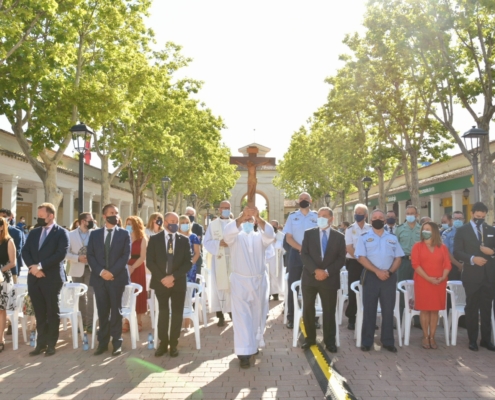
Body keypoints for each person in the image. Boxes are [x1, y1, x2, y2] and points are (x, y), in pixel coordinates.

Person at [223, 206, 275, 369]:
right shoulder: (234, 237)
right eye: (244, 220)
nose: (247, 222)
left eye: (249, 220)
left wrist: (258, 217)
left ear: (254, 223)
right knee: (242, 317)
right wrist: (240, 218)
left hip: (259, 282)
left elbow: (270, 234)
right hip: (240, 282)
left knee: (257, 315)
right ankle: (243, 353)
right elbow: (227, 233)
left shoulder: (260, 237)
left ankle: (253, 345)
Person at [22, 203, 69, 357]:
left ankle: (51, 344)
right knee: (40, 312)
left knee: (51, 311)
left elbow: (60, 254)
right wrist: (33, 268)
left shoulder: (61, 233)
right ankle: (40, 344)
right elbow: (25, 251)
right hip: (34, 278)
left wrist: (40, 267)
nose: (39, 219)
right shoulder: (34, 232)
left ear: (51, 216)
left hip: (52, 278)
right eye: (38, 216)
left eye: (42, 216)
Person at [355, 209, 404, 352]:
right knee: (369, 310)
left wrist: (388, 272)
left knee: (388, 310)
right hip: (371, 277)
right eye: (374, 217)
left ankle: (388, 341)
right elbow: (361, 257)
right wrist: (377, 271)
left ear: (384, 220)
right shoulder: (364, 237)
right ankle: (367, 341)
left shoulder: (392, 238)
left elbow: (398, 257)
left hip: (389, 277)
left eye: (380, 218)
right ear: (370, 221)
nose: (377, 220)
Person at [300, 207, 346, 353]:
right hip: (310, 278)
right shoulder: (309, 234)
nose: (321, 218)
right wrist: (316, 271)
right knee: (308, 309)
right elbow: (305, 255)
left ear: (331, 219)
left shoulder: (339, 237)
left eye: (324, 216)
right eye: (319, 215)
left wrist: (326, 272)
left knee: (329, 311)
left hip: (329, 279)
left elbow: (341, 259)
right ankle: (310, 339)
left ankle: (329, 341)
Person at [87, 203, 131, 356]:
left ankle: (117, 342)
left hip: (116, 278)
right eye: (112, 212)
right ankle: (103, 343)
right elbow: (90, 255)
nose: (115, 215)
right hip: (99, 279)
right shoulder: (95, 234)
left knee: (116, 311)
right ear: (104, 216)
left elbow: (125, 256)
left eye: (117, 213)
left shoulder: (124, 234)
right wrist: (101, 272)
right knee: (102, 311)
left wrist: (111, 272)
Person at [147, 212, 192, 357]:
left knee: (177, 313)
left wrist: (173, 277)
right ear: (165, 222)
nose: (175, 223)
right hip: (161, 283)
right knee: (163, 312)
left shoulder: (184, 240)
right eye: (172, 221)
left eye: (176, 221)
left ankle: (174, 344)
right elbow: (150, 262)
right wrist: (163, 279)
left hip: (178, 283)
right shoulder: (154, 239)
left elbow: (187, 263)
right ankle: (163, 343)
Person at [453, 202, 495, 351]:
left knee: (486, 308)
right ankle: (472, 340)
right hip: (471, 276)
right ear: (472, 214)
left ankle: (486, 339)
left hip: (489, 276)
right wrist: (472, 259)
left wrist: (492, 252)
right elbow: (457, 252)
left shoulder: (490, 229)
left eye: (483, 217)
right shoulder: (462, 230)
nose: (480, 219)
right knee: (471, 307)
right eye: (478, 217)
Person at [411, 222, 451, 349]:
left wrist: (442, 277)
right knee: (425, 309)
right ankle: (425, 336)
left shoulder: (442, 247)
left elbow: (447, 264)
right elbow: (415, 264)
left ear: (434, 231)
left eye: (428, 229)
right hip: (423, 282)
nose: (425, 231)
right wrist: (429, 278)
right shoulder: (417, 246)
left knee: (435, 310)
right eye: (424, 229)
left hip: (439, 282)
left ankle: (432, 337)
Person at [283, 192, 318, 329]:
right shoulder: (292, 217)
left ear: (311, 200)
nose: (303, 200)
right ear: (298, 201)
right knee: (294, 286)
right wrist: (301, 248)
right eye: (301, 199)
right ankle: (291, 316)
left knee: (313, 286)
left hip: (313, 256)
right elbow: (288, 237)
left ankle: (313, 317)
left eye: (306, 199)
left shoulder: (316, 216)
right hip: (296, 255)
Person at [203, 200, 233, 327]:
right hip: (219, 259)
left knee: (232, 287)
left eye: (228, 207)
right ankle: (220, 315)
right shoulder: (213, 225)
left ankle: (232, 312)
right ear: (219, 209)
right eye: (223, 207)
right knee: (218, 287)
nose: (226, 209)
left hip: (232, 259)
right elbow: (206, 241)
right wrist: (218, 243)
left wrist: (231, 242)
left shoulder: (235, 224)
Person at [66, 212, 95, 332]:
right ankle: (81, 323)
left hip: (91, 269)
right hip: (76, 269)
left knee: (91, 295)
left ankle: (90, 324)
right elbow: (65, 253)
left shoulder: (94, 233)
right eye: (90, 220)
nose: (93, 222)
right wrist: (77, 258)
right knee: (80, 297)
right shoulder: (70, 235)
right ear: (83, 221)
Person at [344, 204, 371, 330]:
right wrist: (361, 259)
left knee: (369, 290)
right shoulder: (350, 229)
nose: (357, 215)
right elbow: (349, 248)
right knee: (353, 291)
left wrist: (366, 261)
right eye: (356, 212)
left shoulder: (370, 229)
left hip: (369, 263)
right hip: (354, 263)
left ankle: (368, 318)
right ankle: (352, 318)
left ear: (366, 215)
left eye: (360, 213)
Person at [395, 205, 421, 319]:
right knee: (401, 289)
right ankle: (400, 317)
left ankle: (417, 319)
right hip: (404, 262)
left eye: (412, 213)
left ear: (417, 215)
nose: (410, 215)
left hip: (418, 263)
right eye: (408, 213)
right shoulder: (399, 229)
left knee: (418, 289)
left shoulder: (421, 229)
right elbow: (395, 246)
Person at [124, 216, 148, 332]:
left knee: (137, 292)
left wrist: (133, 267)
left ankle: (138, 319)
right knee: (126, 292)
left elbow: (143, 257)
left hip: (137, 266)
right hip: (125, 266)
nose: (128, 226)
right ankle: (126, 320)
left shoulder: (142, 239)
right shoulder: (123, 237)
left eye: (131, 224)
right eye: (127, 224)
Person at [0, 217, 17, 351]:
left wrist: (0, 269)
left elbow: (13, 262)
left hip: (3, 278)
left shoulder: (9, 241)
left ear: (2, 227)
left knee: (1, 310)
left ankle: (0, 339)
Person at [0, 208, 24, 285]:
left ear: (9, 218)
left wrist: (2, 268)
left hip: (9, 271)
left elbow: (17, 252)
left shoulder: (16, 233)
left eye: (3, 217)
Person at [441, 211, 465, 281]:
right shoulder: (446, 233)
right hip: (452, 264)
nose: (458, 220)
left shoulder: (469, 232)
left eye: (460, 218)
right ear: (452, 220)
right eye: (455, 218)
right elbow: (446, 252)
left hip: (467, 264)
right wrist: (458, 265)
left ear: (464, 220)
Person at [178, 215, 201, 284]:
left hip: (190, 267)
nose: (185, 224)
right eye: (183, 223)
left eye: (187, 222)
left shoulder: (193, 237)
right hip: (176, 268)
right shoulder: (174, 236)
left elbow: (197, 253)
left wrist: (189, 265)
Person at [266, 220, 284, 301]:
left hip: (276, 258)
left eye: (274, 226)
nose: (273, 227)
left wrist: (275, 241)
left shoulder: (281, 235)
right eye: (271, 225)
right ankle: (268, 293)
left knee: (275, 274)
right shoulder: (265, 234)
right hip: (266, 257)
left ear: (277, 226)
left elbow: (283, 247)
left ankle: (275, 293)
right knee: (267, 275)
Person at [185, 207, 204, 276]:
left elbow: (198, 241)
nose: (190, 215)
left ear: (195, 215)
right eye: (188, 213)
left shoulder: (198, 227)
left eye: (192, 214)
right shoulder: (180, 227)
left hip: (196, 259)